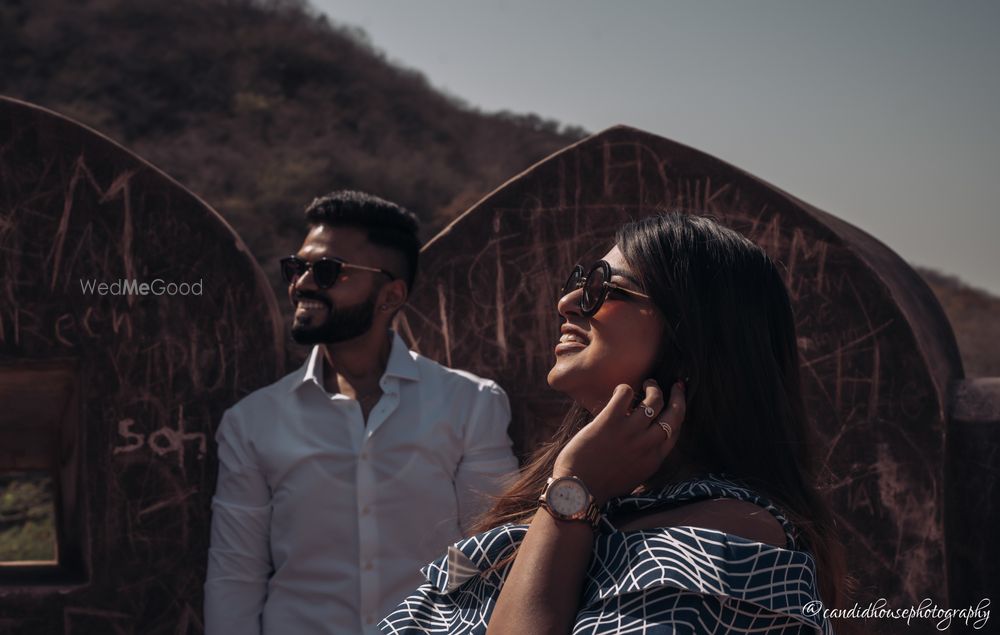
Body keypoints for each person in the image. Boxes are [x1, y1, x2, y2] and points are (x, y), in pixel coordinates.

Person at [381, 212, 847, 634]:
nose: (567, 302)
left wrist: (573, 493)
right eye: (580, 281)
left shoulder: (731, 537)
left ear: (694, 338)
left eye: (604, 287)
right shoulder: (600, 503)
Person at [204, 191, 520, 635]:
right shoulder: (252, 422)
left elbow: (490, 553)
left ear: (390, 295)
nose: (303, 284)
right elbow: (235, 577)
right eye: (298, 268)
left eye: (329, 271)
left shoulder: (470, 404)